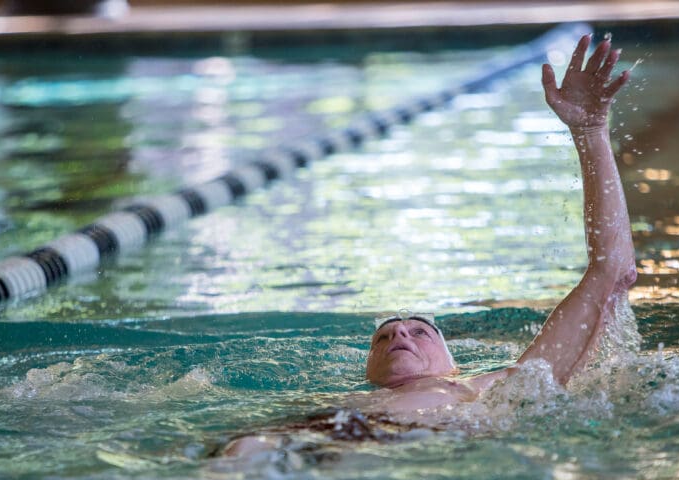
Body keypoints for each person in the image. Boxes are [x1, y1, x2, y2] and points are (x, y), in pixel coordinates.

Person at [223, 35, 635, 457]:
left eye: (419, 331)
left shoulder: (495, 387)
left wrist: (590, 131)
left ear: (451, 363)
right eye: (382, 339)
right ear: (367, 369)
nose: (399, 331)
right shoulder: (320, 407)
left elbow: (612, 273)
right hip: (310, 448)